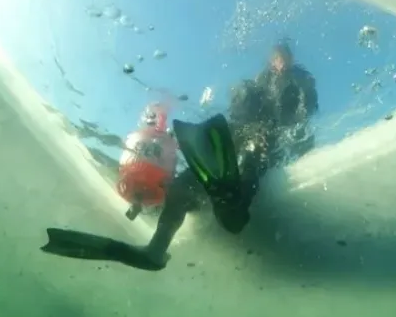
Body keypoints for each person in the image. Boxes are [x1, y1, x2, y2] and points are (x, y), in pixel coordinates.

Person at [41, 41, 319, 271]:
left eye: (284, 57)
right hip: (236, 130)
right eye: (276, 57)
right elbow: (240, 107)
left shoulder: (301, 78)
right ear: (272, 59)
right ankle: (156, 248)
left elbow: (307, 111)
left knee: (252, 154)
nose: (279, 61)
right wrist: (241, 95)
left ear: (291, 58)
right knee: (184, 184)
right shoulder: (262, 78)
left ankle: (232, 206)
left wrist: (290, 114)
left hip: (265, 133)